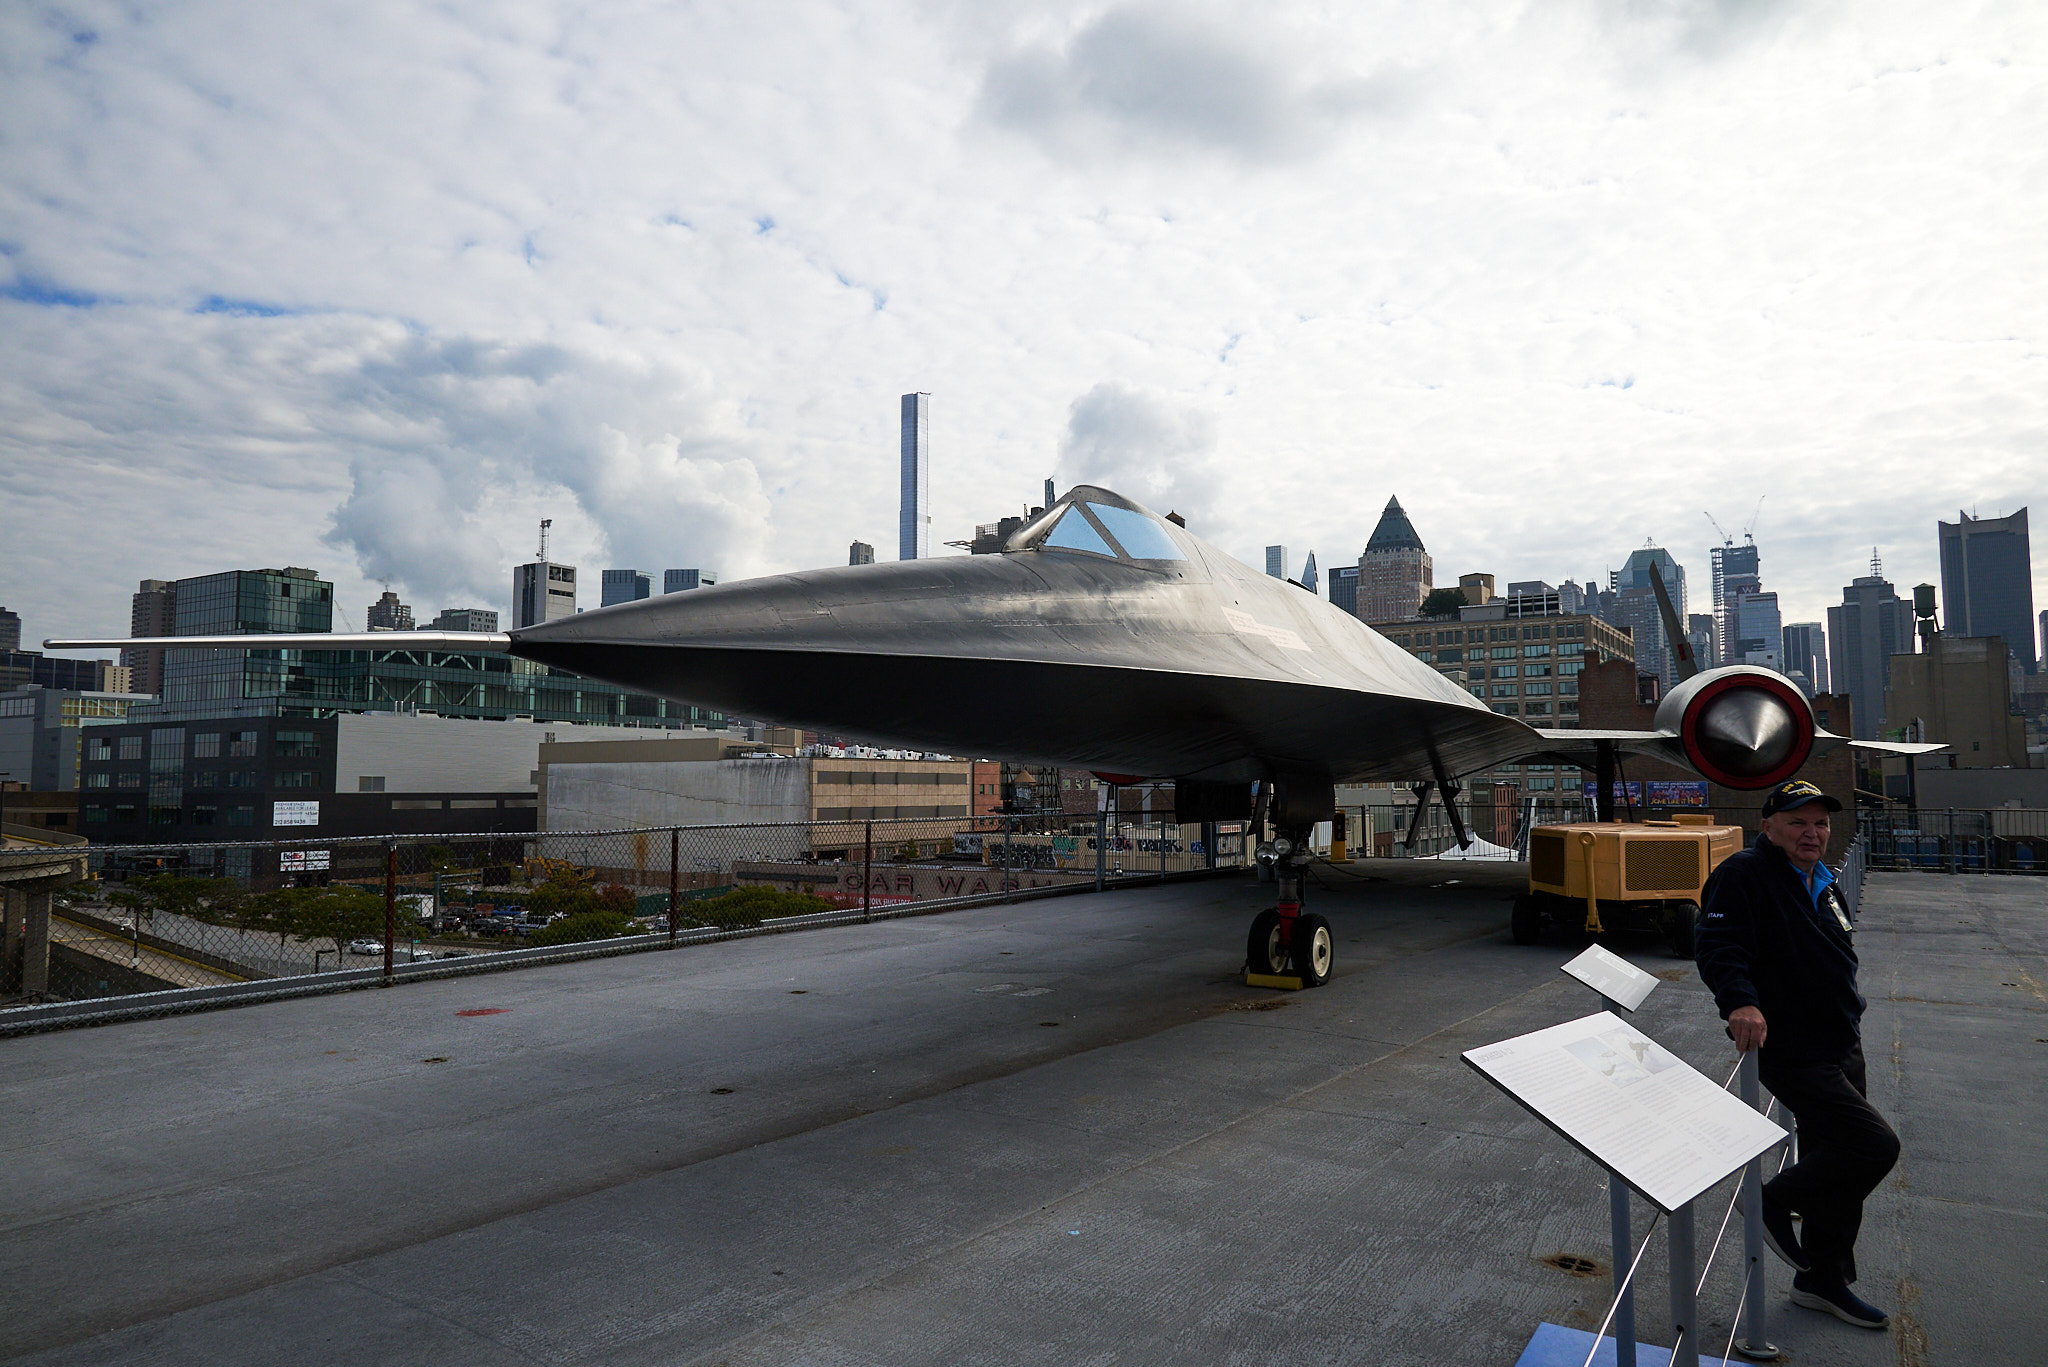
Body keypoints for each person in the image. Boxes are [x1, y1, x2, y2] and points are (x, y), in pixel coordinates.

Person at [1695, 778, 1899, 1331]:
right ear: (1769, 828)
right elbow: (1718, 945)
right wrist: (1740, 1001)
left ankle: (1822, 1279)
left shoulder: (1823, 881)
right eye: (1797, 822)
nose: (1812, 833)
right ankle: (1768, 1200)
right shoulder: (1746, 874)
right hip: (1792, 1045)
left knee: (1837, 1161)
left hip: (1839, 1039)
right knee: (1873, 1146)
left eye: (1821, 823)